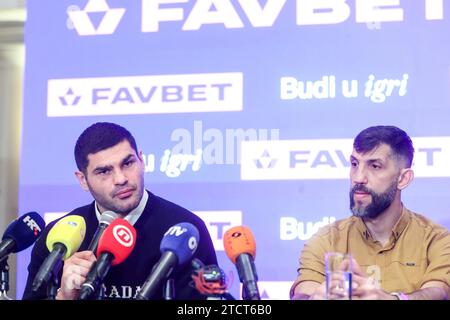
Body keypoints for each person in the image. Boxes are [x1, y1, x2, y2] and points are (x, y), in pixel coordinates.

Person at [23, 122, 217, 300]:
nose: (121, 178)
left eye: (128, 163)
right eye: (104, 171)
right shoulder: (58, 240)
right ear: (82, 179)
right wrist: (64, 297)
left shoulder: (185, 232)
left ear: (141, 160)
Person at [290, 125, 450, 300]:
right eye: (354, 164)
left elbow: (440, 292)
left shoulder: (437, 240)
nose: (358, 178)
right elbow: (303, 292)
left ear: (403, 179)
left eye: (374, 166)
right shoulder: (326, 240)